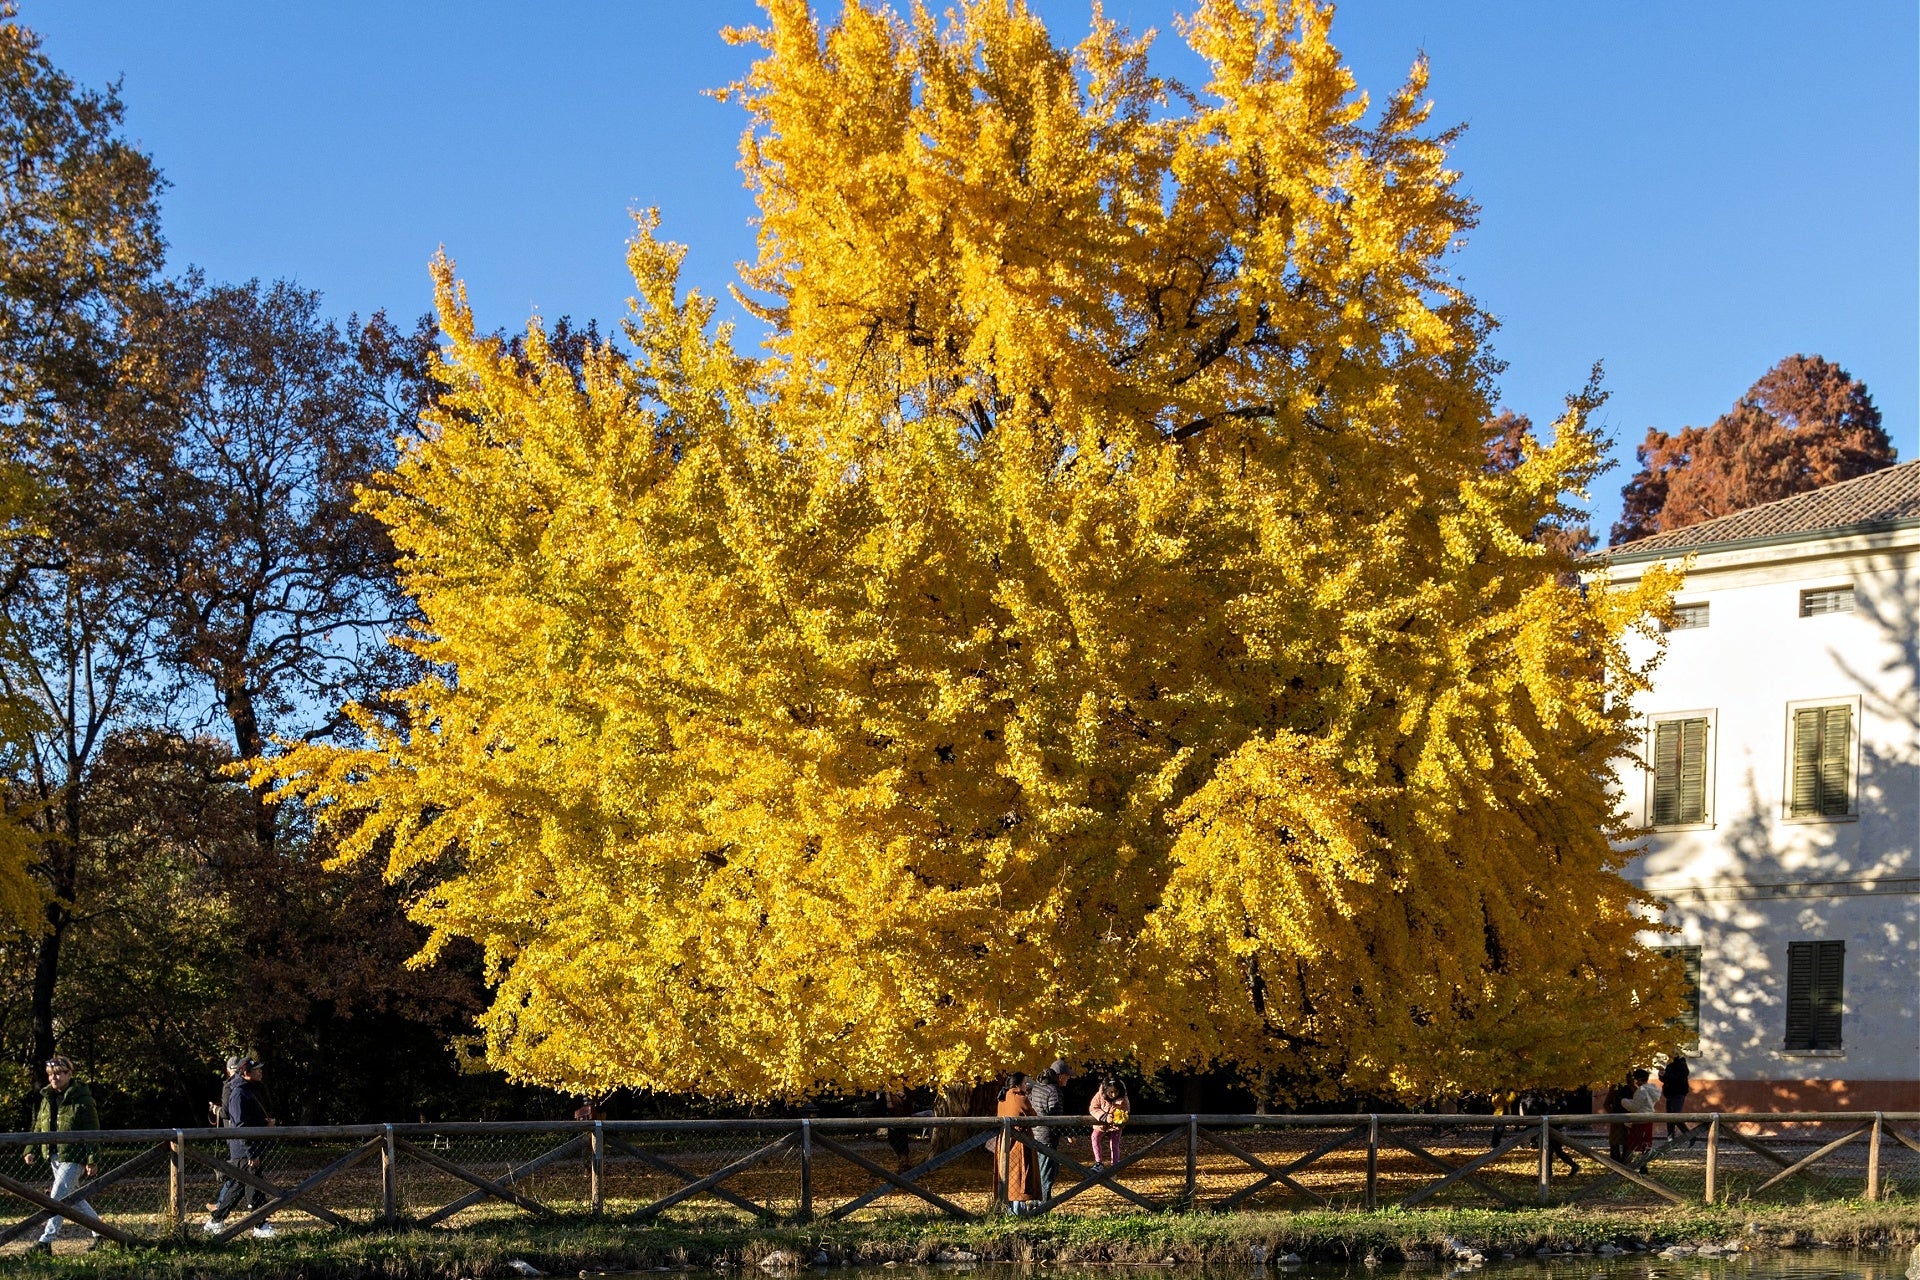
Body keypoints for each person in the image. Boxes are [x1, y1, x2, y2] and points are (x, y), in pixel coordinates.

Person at [22, 1056, 100, 1254]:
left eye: (58, 1073)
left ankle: (45, 1242)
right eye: (50, 1074)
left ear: (69, 1074)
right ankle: (102, 1234)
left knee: (56, 1198)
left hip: (75, 1156)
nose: (53, 1077)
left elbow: (92, 1131)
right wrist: (30, 1149)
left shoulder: (83, 1099)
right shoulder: (47, 1098)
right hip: (54, 1155)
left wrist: (92, 1159)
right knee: (73, 1198)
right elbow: (40, 1125)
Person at [206, 1057, 277, 1237]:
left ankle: (216, 1220)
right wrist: (251, 1152)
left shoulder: (249, 1090)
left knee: (238, 1184)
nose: (260, 1072)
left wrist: (265, 1124)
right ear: (245, 1073)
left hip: (247, 1147)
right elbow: (240, 1126)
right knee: (254, 1184)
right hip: (244, 1149)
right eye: (256, 1070)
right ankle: (259, 1224)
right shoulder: (238, 1093)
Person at [1025, 1058, 1072, 1204]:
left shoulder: (1037, 1088)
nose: (1069, 1078)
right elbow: (1055, 1118)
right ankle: (1042, 1205)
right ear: (1059, 1076)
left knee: (1041, 1170)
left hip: (1034, 1134)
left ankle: (1036, 1201)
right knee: (1047, 1172)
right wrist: (1068, 1133)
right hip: (1047, 1137)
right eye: (1067, 1075)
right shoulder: (1054, 1091)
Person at [990, 1072, 1039, 1213]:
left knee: (1007, 1175)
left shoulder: (1002, 1098)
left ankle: (1007, 1208)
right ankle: (1019, 1211)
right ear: (1017, 1085)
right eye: (1024, 1083)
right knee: (1021, 1175)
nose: (1026, 1085)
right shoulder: (1020, 1098)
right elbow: (1033, 1117)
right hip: (1020, 1142)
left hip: (1004, 1141)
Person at [1088, 1077, 1129, 1171]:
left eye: (1116, 1092)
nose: (1113, 1095)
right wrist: (1104, 1117)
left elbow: (1126, 1109)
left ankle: (1114, 1165)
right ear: (1106, 1091)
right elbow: (1093, 1108)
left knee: (1115, 1143)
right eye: (1111, 1092)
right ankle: (1099, 1163)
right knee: (1095, 1137)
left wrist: (1120, 1117)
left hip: (1116, 1124)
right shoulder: (1099, 1096)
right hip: (1101, 1122)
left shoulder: (1123, 1098)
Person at [1624, 1068, 1659, 1157]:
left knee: (1632, 1144)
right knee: (1646, 1143)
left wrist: (1624, 1101)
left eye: (1635, 1079)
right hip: (1649, 1118)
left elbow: (1635, 1107)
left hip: (1639, 1120)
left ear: (1639, 1079)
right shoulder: (1653, 1089)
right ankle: (1644, 1165)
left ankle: (1626, 1165)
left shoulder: (1641, 1091)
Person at [1659, 1054, 1692, 1141]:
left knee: (1675, 1116)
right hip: (1669, 1093)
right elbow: (1666, 1079)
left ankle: (1689, 1135)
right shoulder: (1670, 1064)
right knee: (1670, 1117)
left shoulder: (1681, 1063)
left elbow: (1679, 1077)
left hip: (1678, 1093)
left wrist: (1666, 1074)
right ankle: (1670, 1137)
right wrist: (1661, 1075)